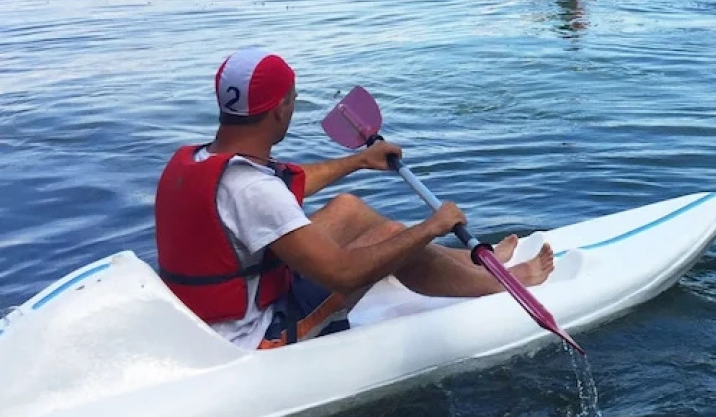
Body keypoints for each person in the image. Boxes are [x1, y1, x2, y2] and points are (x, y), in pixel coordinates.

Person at [154, 48, 554, 349]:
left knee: (348, 207)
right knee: (395, 238)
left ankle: (475, 262)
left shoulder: (199, 159)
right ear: (278, 111)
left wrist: (359, 160)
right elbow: (343, 274)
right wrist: (431, 227)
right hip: (254, 333)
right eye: (293, 99)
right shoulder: (253, 190)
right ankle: (502, 283)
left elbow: (285, 183)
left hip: (222, 309)